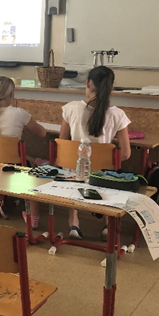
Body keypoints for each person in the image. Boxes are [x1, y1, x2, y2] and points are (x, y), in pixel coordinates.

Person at [60, 66, 131, 240]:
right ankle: (107, 224)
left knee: (72, 170)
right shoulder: (118, 114)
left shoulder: (70, 108)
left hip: (74, 170)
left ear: (88, 83)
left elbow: (62, 144)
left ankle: (74, 222)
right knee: (112, 174)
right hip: (102, 175)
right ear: (111, 88)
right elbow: (126, 154)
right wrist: (107, 160)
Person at [0, 76, 47, 218]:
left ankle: (5, 202)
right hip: (13, 169)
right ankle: (33, 216)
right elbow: (42, 133)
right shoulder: (20, 114)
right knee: (30, 166)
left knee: (15, 154)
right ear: (12, 93)